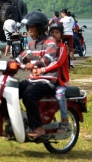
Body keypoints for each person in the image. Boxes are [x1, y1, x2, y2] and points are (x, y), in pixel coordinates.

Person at [16, 11, 59, 139]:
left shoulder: (50, 41)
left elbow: (47, 59)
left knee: (29, 94)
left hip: (48, 81)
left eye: (32, 27)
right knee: (12, 89)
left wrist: (34, 64)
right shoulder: (30, 44)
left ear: (40, 28)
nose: (29, 30)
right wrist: (8, 65)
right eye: (28, 27)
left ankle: (37, 127)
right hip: (34, 79)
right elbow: (21, 58)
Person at [36, 23, 71, 132]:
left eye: (57, 32)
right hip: (47, 79)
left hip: (60, 81)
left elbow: (57, 63)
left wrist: (42, 70)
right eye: (52, 32)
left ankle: (64, 121)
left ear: (61, 34)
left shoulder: (62, 47)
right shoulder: (47, 46)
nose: (54, 34)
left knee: (60, 95)